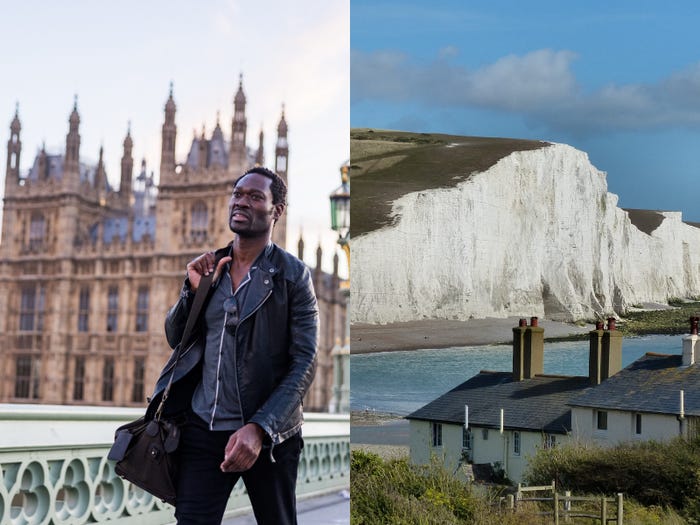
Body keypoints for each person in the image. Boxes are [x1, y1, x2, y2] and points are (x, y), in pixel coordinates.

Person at [148, 166, 318, 524]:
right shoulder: (211, 269)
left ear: (277, 210)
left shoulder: (292, 275)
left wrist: (260, 428)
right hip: (203, 431)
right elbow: (175, 338)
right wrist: (190, 291)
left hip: (269, 438)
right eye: (237, 194)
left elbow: (305, 362)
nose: (242, 201)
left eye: (255, 196)